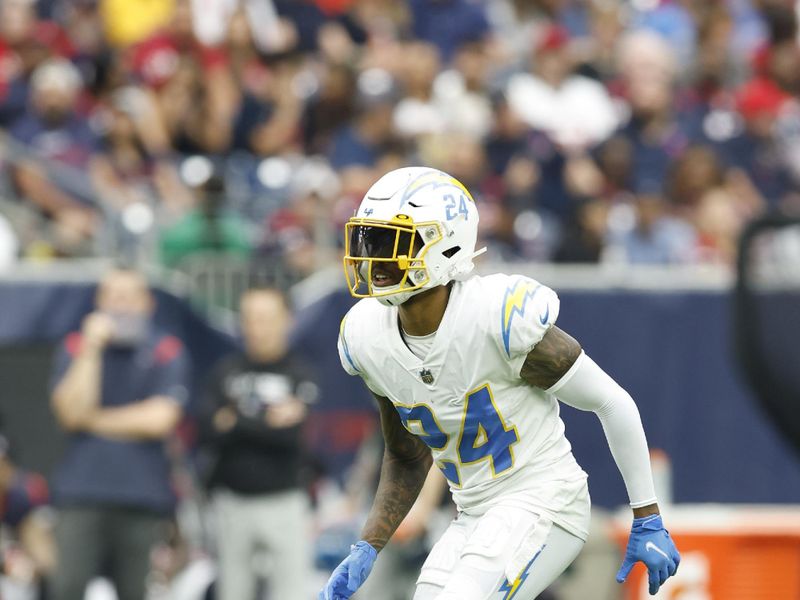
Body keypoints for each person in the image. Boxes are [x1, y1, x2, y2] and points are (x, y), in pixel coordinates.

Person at [320, 167, 681, 600]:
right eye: (370, 239)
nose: (374, 257)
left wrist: (647, 515)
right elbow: (407, 455)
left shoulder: (496, 318)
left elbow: (612, 401)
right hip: (473, 513)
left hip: (546, 500)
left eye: (391, 241)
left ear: (445, 244)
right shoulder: (367, 337)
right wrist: (369, 543)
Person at [49, 267, 190, 600]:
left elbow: (160, 420)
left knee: (134, 592)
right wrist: (91, 349)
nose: (120, 305)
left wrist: (92, 419)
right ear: (98, 302)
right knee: (66, 587)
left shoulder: (165, 349)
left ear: (147, 303)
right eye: (112, 296)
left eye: (129, 297)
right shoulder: (76, 347)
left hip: (141, 495)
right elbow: (69, 413)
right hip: (81, 493)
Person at [199, 287, 316, 600]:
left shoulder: (301, 373)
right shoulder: (225, 371)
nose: (256, 327)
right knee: (232, 591)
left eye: (265, 318)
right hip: (231, 501)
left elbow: (290, 435)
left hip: (285, 500)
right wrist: (266, 421)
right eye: (249, 318)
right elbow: (207, 431)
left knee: (291, 592)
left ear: (287, 321)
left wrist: (236, 419)